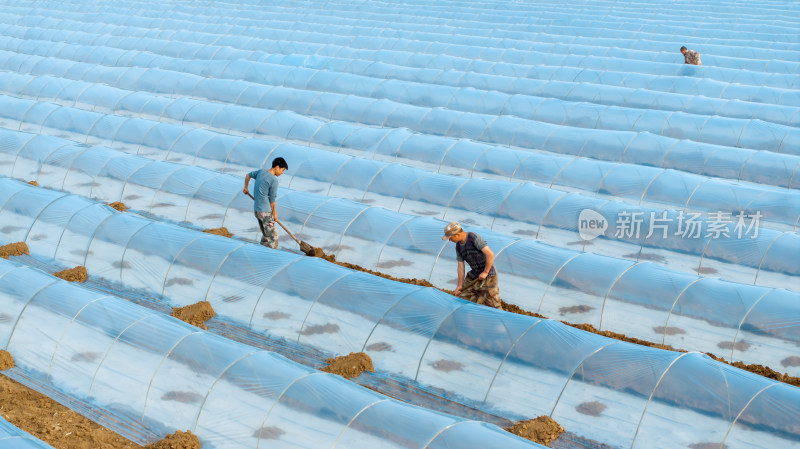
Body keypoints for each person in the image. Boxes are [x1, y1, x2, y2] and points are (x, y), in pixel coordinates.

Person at [442, 221, 501, 308]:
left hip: (488, 276)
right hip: (474, 275)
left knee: (492, 304)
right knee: (463, 299)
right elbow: (460, 267)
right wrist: (459, 285)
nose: (449, 240)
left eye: (450, 238)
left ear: (457, 235)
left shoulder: (472, 237)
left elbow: (490, 254)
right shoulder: (458, 246)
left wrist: (485, 272)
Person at [243, 157, 288, 249]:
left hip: (257, 211)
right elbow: (272, 199)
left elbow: (248, 175)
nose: (282, 173)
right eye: (282, 170)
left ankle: (262, 251)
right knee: (273, 236)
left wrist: (246, 187)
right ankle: (272, 255)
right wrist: (274, 214)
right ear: (277, 167)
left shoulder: (261, 172)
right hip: (266, 213)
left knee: (266, 235)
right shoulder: (274, 180)